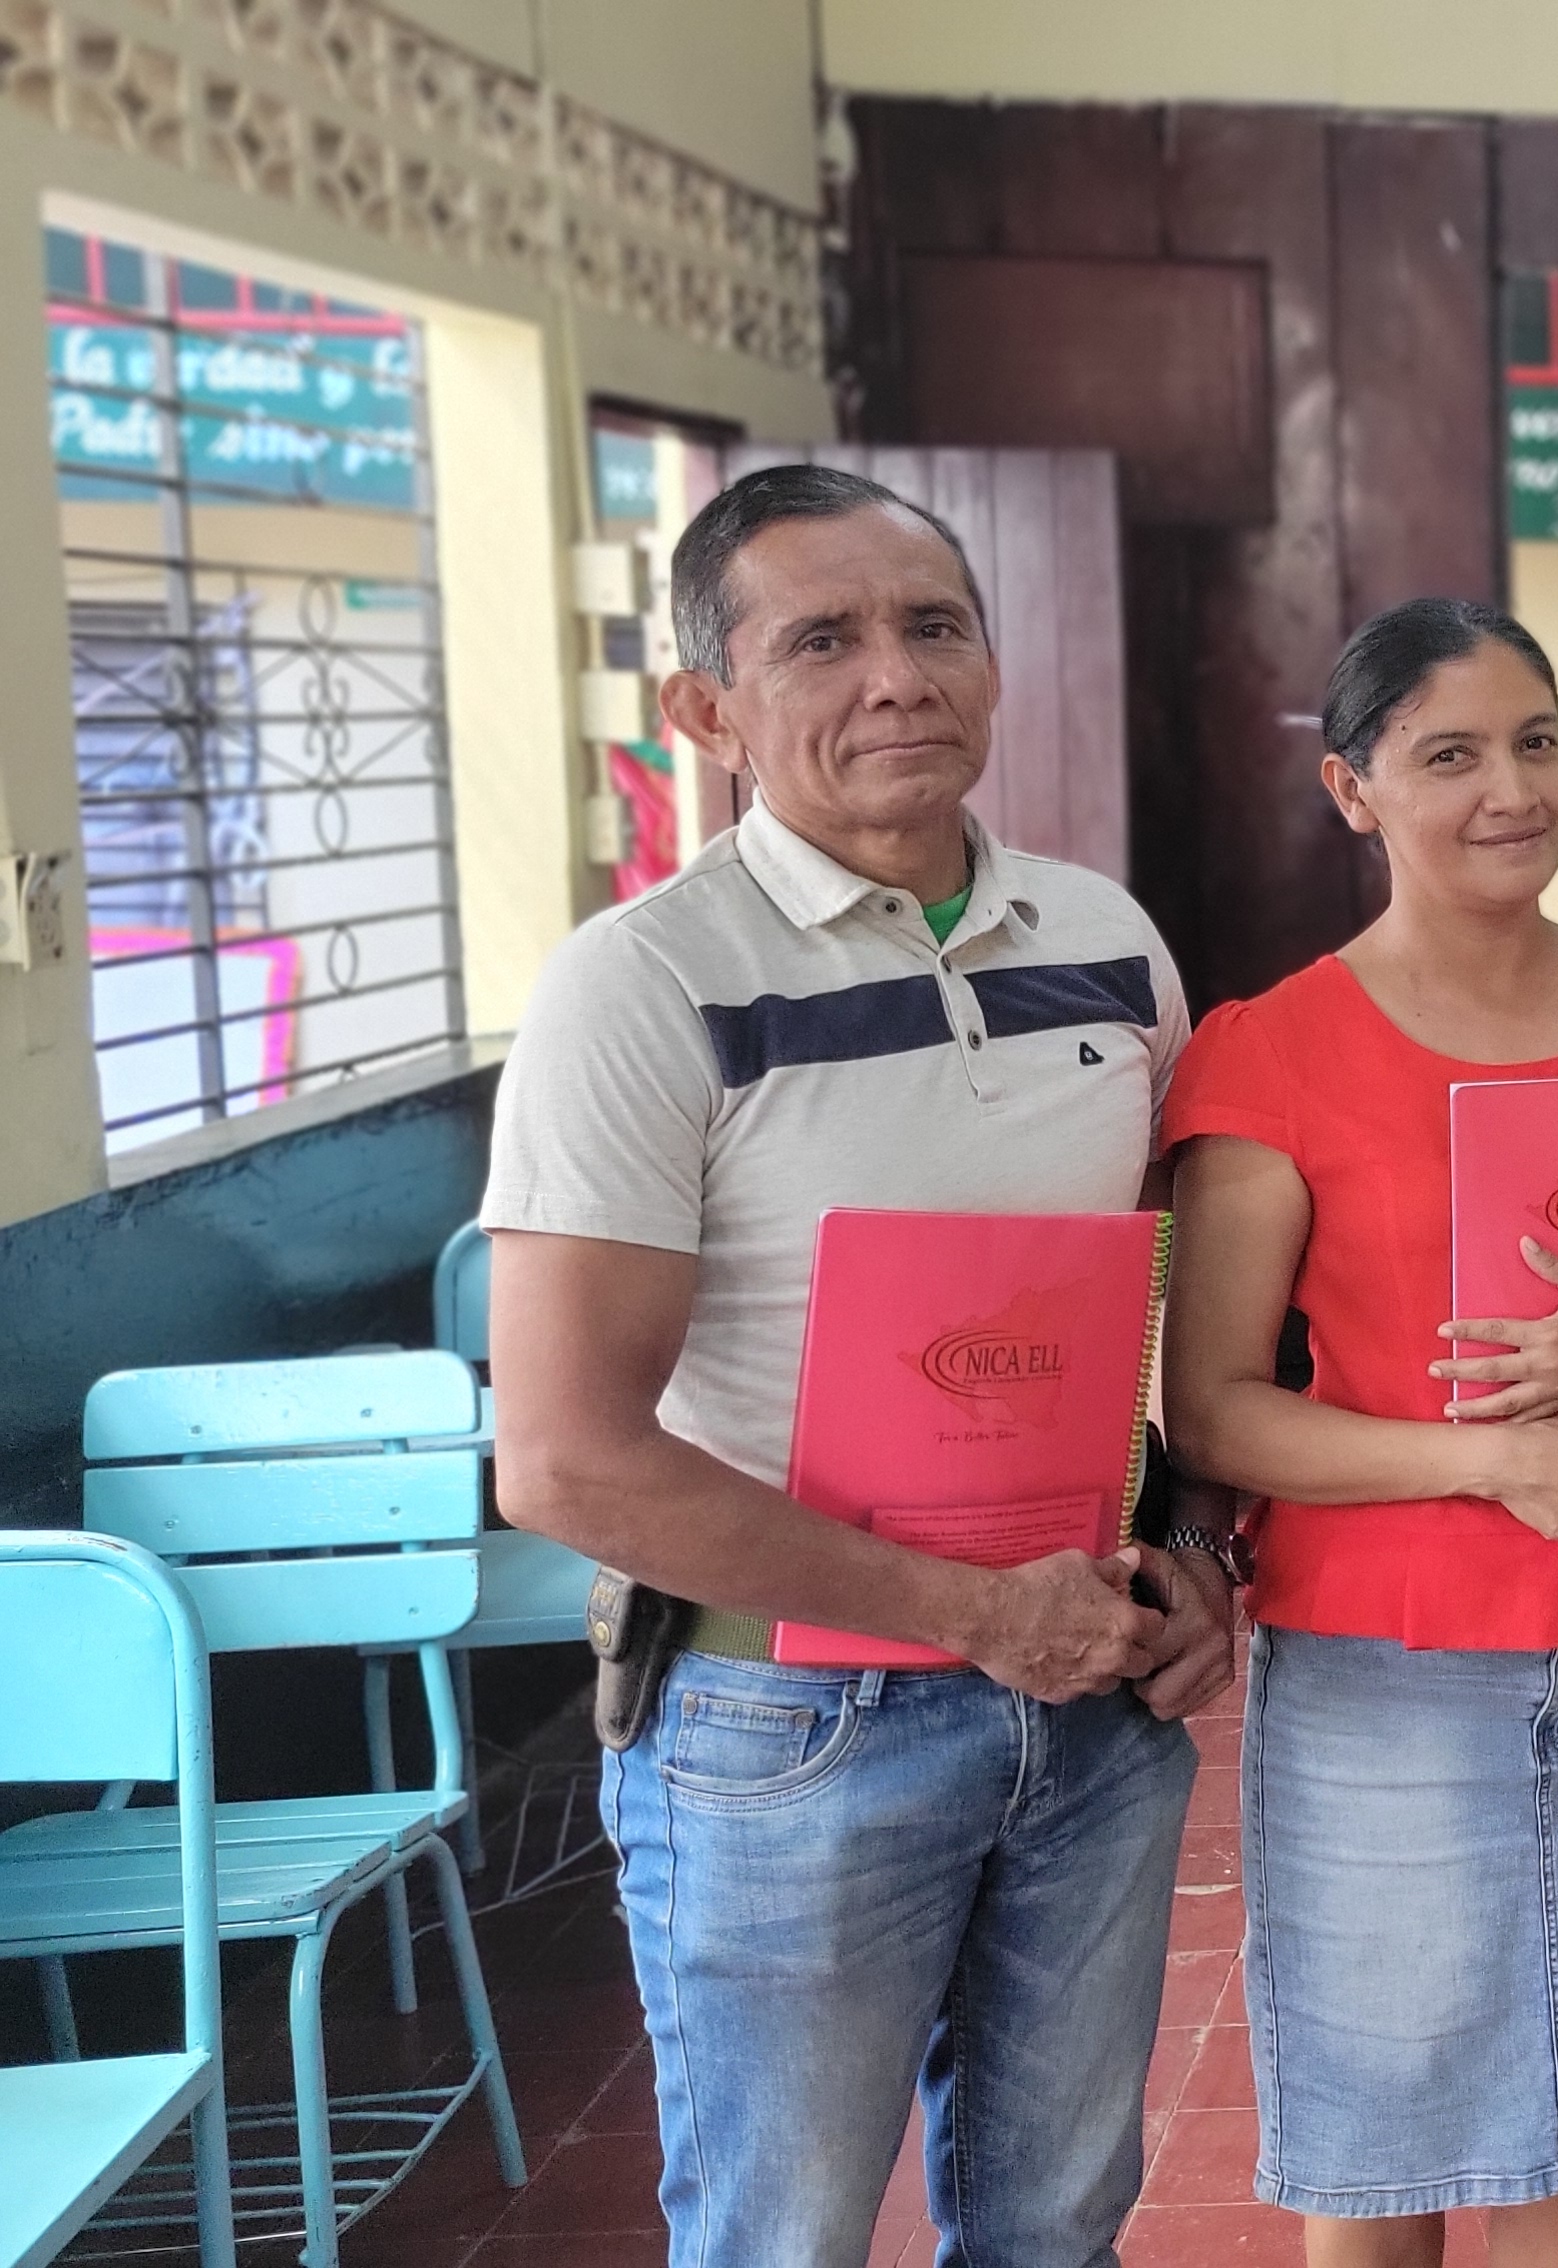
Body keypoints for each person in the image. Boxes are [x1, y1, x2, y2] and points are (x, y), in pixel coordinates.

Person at [484, 462, 1243, 2268]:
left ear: (992, 666)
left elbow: (1180, 1302)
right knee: (788, 2236)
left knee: (1057, 2223)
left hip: (1092, 1698)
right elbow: (567, 1460)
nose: (897, 676)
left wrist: (1205, 1548)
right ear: (709, 711)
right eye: (821, 639)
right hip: (788, 1729)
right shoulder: (642, 987)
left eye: (933, 627)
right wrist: (969, 1614)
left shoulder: (1107, 942)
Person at [1155, 598, 1558, 2268]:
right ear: (1353, 791)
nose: (1513, 789)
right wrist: (1489, 1457)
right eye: (1450, 756)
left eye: (1536, 740)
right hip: (1383, 1659)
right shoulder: (1272, 1051)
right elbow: (1212, 1405)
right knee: (1387, 2118)